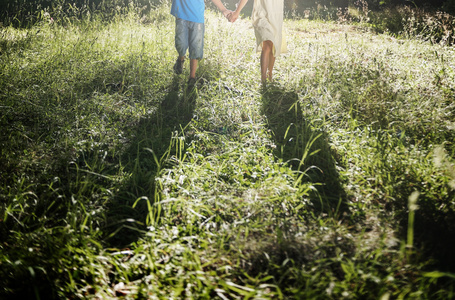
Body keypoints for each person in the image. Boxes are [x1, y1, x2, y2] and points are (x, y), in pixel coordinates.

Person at [171, 0, 232, 86]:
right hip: (181, 13)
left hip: (197, 16)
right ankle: (181, 59)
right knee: (181, 44)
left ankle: (192, 78)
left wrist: (223, 9)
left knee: (196, 47)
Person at [228, 0, 287, 84]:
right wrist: (237, 11)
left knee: (274, 44)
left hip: (276, 14)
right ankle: (263, 80)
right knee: (267, 42)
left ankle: (270, 74)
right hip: (261, 14)